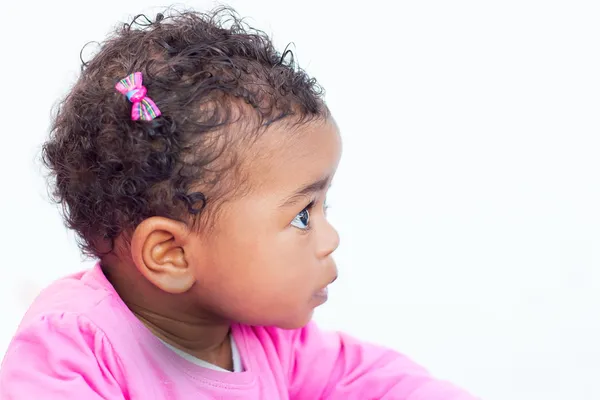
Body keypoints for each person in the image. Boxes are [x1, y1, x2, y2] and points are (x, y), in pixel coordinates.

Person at [0, 7, 478, 399]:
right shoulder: (72, 349)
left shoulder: (273, 340)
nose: (330, 239)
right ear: (172, 253)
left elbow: (376, 383)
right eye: (302, 215)